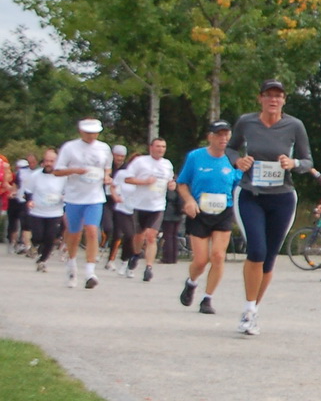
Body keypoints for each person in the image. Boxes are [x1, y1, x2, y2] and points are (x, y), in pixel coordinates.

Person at [232, 80, 314, 334]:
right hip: (251, 194)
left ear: (284, 101)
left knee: (268, 259)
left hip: (282, 197)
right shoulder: (247, 122)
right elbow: (231, 149)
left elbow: (307, 159)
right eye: (268, 95)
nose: (273, 100)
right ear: (260, 99)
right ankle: (248, 308)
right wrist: (238, 161)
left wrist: (293, 163)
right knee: (256, 250)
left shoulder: (294, 126)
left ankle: (252, 310)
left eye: (278, 96)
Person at [176, 120, 243, 315]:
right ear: (210, 137)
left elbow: (241, 184)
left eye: (226, 135)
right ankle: (191, 282)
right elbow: (182, 183)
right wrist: (188, 201)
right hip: (199, 211)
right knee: (200, 260)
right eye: (219, 135)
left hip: (224, 210)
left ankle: (208, 298)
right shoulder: (196, 157)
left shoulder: (233, 159)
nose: (223, 139)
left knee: (218, 256)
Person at [53, 119, 113, 290]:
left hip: (94, 197)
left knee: (92, 231)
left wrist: (107, 176)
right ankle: (71, 266)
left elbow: (107, 168)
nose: (91, 136)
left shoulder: (103, 148)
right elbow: (57, 171)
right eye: (88, 133)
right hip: (74, 197)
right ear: (80, 132)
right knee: (74, 234)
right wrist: (74, 170)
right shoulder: (70, 148)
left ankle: (90, 272)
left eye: (94, 133)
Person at [122, 138, 174, 281]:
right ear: (151, 147)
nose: (160, 149)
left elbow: (170, 180)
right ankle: (136, 255)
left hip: (157, 206)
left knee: (151, 236)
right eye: (158, 146)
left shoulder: (167, 164)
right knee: (139, 236)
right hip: (140, 205)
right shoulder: (140, 162)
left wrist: (171, 185)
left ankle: (149, 268)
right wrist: (144, 182)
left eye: (163, 147)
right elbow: (127, 179)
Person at [26, 149, 64, 271]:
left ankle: (43, 260)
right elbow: (28, 191)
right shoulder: (35, 175)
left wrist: (63, 197)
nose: (49, 164)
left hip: (55, 212)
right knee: (38, 236)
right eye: (47, 161)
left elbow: (69, 192)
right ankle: (35, 245)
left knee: (50, 237)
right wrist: (29, 200)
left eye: (52, 161)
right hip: (37, 211)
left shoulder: (63, 177)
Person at [103, 144, 134, 275]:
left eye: (122, 156)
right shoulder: (106, 165)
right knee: (108, 227)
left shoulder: (126, 169)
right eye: (117, 155)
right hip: (106, 200)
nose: (119, 158)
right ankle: (102, 245)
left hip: (120, 202)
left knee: (118, 232)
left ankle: (111, 259)